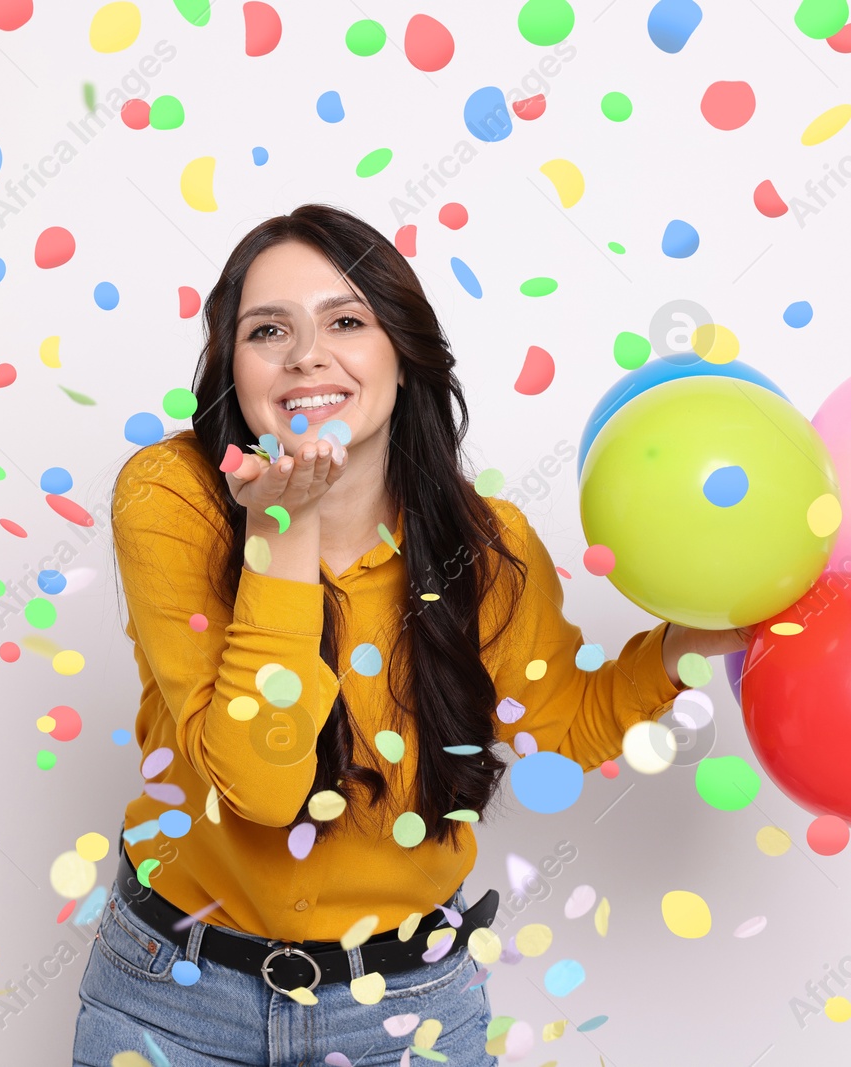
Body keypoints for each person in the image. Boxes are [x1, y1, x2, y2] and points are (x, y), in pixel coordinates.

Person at [72, 203, 749, 1065]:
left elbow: (560, 726)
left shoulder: (484, 546)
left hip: (406, 1015)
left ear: (403, 351)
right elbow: (261, 789)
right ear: (232, 369)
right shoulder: (174, 497)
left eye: (346, 322)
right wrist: (282, 532)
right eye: (268, 329)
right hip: (172, 1004)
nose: (307, 354)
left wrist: (690, 641)